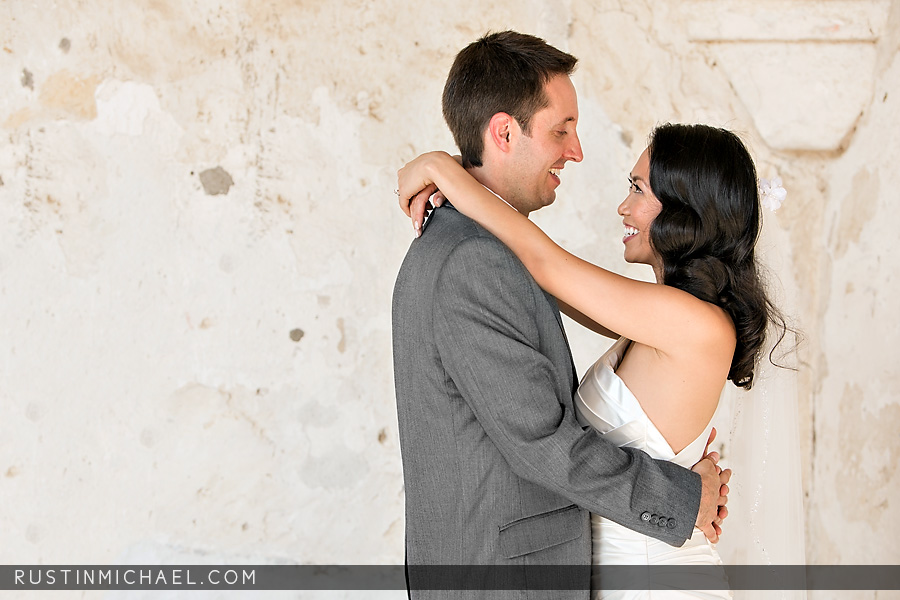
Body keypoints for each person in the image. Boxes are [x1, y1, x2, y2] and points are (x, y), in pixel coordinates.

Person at [391, 31, 730, 600]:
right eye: (561, 130)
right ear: (504, 132)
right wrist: (682, 499)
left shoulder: (479, 247)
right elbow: (543, 441)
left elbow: (552, 267)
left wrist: (446, 166)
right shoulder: (476, 259)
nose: (576, 152)